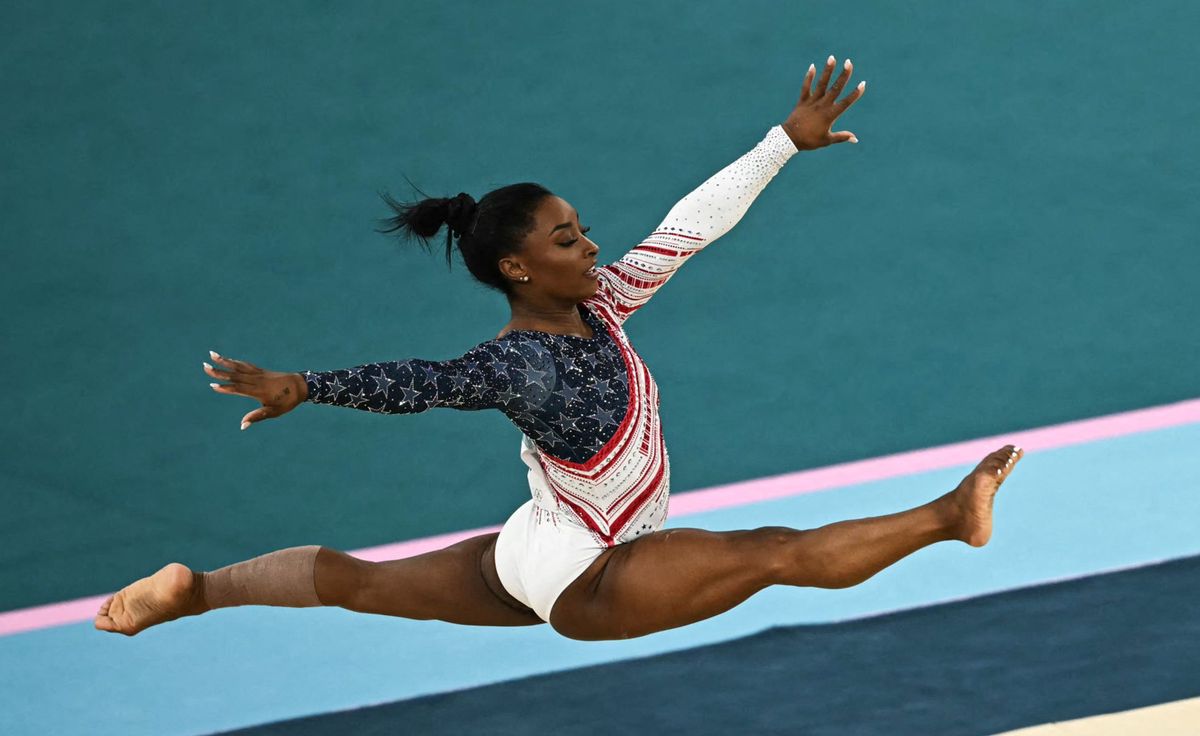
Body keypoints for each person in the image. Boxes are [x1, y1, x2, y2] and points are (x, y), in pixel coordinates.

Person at [95, 55, 1023, 642]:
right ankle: (950, 516)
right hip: (592, 573)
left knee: (355, 582)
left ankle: (196, 590)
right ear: (517, 267)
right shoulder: (520, 362)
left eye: (580, 227)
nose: (589, 245)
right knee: (771, 552)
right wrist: (310, 384)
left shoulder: (605, 301)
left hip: (532, 546)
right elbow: (426, 382)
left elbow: (688, 228)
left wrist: (781, 142)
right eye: (566, 237)